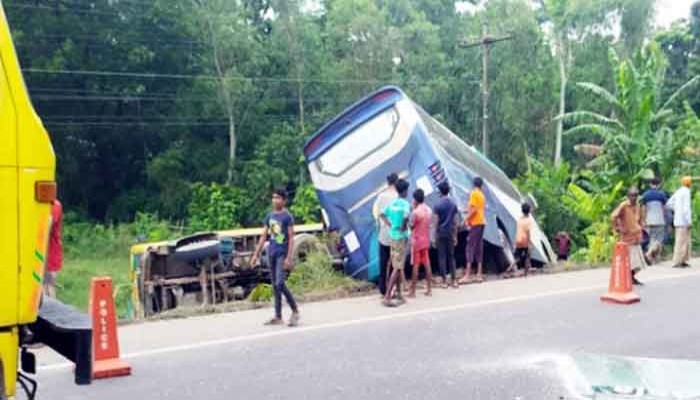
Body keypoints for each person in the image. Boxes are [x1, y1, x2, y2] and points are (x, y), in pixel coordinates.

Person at [250, 188, 300, 327]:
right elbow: (263, 236)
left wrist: (289, 258)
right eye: (273, 198)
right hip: (271, 252)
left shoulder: (287, 217)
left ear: (284, 200)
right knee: (275, 286)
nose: (275, 200)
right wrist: (256, 254)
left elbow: (291, 238)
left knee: (279, 283)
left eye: (278, 198)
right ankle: (278, 316)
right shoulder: (269, 216)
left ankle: (295, 310)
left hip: (281, 254)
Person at [380, 179, 411, 307]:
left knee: (397, 265)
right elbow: (406, 216)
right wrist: (403, 226)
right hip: (401, 238)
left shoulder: (392, 203)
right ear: (404, 191)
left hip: (393, 236)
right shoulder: (405, 203)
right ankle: (387, 296)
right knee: (397, 267)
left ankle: (399, 293)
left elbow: (381, 214)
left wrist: (390, 224)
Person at [610, 187, 647, 285]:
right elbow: (613, 216)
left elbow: (639, 220)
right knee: (632, 261)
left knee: (638, 262)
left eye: (636, 195)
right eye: (632, 195)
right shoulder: (624, 206)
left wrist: (642, 226)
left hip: (636, 237)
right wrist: (618, 228)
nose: (634, 197)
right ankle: (629, 279)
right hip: (628, 238)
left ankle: (631, 278)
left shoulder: (638, 206)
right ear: (628, 196)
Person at [372, 173, 398, 296]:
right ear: (396, 182)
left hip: (383, 233)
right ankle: (392, 288)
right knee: (394, 263)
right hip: (395, 233)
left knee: (383, 262)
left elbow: (378, 214)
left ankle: (382, 288)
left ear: (387, 183)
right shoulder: (398, 197)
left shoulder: (381, 197)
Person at [432, 181, 459, 288]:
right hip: (450, 233)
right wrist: (455, 236)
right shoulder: (453, 205)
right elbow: (456, 222)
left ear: (440, 192)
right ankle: (454, 281)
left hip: (440, 233)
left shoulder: (437, 206)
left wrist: (434, 237)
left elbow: (435, 223)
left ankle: (444, 281)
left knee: (442, 257)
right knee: (451, 257)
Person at [460, 177, 486, 284]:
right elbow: (477, 208)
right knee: (479, 248)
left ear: (473, 184)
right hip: (482, 222)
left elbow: (474, 210)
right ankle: (479, 274)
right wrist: (465, 210)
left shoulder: (474, 193)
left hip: (475, 223)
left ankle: (467, 275)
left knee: (469, 248)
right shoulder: (481, 195)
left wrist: (465, 219)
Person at [409, 189, 433, 297]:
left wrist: (413, 209)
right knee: (427, 264)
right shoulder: (429, 210)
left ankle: (412, 291)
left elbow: (411, 226)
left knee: (416, 266)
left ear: (415, 199)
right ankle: (429, 289)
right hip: (426, 240)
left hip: (417, 241)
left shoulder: (416, 212)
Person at [641, 177, 668, 263]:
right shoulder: (662, 195)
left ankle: (654, 259)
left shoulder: (645, 195)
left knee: (651, 239)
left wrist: (644, 220)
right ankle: (649, 254)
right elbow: (664, 209)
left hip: (649, 220)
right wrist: (664, 218)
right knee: (659, 240)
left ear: (650, 184)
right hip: (659, 220)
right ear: (659, 184)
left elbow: (644, 209)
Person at [667, 176, 693, 268]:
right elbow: (686, 208)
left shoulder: (678, 191)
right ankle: (677, 261)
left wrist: (677, 210)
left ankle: (682, 260)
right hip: (684, 221)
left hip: (678, 220)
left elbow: (669, 203)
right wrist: (689, 221)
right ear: (689, 183)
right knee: (682, 242)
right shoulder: (686, 192)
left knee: (683, 241)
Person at [503, 203, 533, 278]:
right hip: (525, 240)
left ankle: (509, 268)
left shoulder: (520, 219)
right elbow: (528, 232)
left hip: (518, 240)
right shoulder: (528, 220)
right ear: (529, 211)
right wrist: (530, 242)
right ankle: (526, 273)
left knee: (517, 258)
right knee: (527, 256)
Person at [44, 199, 63, 298]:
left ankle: (51, 309)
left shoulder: (55, 205)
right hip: (43, 250)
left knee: (50, 283)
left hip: (52, 251)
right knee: (43, 284)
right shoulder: (42, 205)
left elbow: (48, 226)